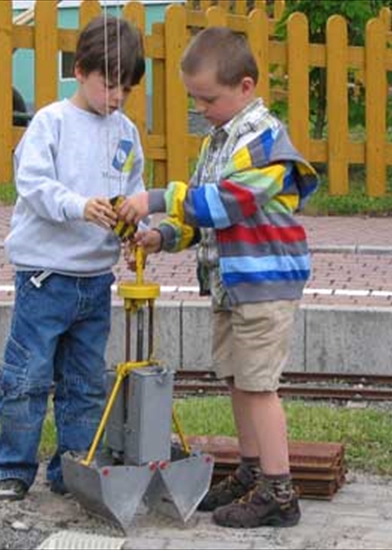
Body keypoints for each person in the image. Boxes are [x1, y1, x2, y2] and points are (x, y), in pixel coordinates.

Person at [117, 27, 319, 528]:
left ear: (245, 86)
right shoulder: (217, 142)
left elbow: (228, 203)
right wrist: (162, 236)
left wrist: (157, 197)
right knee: (237, 378)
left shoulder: (264, 142)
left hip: (263, 284)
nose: (200, 108)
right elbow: (200, 215)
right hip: (232, 284)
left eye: (208, 98)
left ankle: (279, 492)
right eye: (195, 98)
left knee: (258, 386)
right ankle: (251, 472)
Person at [0, 15, 146, 502]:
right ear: (80, 71)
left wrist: (132, 220)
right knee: (28, 376)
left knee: (85, 383)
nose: (116, 97)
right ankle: (13, 468)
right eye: (109, 84)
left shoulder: (126, 133)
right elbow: (33, 185)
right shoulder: (50, 122)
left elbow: (134, 189)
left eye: (127, 88)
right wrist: (80, 206)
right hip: (44, 276)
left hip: (96, 280)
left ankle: (73, 469)